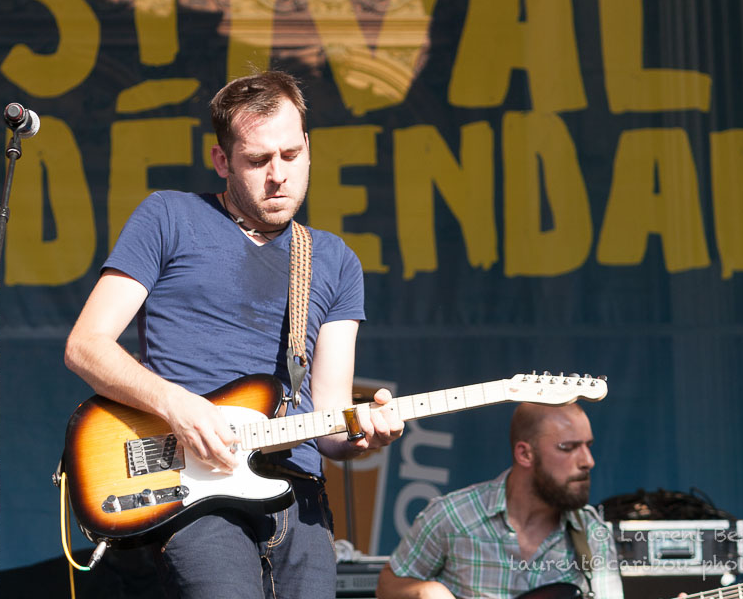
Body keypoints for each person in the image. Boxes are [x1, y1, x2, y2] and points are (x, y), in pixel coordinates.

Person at [64, 70, 404, 598]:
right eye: (258, 160)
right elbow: (86, 346)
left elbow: (332, 425)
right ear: (222, 161)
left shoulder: (334, 260)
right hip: (196, 487)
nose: (278, 175)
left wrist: (364, 435)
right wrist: (178, 406)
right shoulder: (170, 216)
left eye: (291, 155)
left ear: (308, 148)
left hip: (299, 497)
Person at [376, 403, 624, 599]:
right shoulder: (452, 515)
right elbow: (387, 585)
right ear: (525, 454)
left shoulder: (592, 533)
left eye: (588, 446)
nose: (588, 461)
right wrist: (425, 591)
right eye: (568, 447)